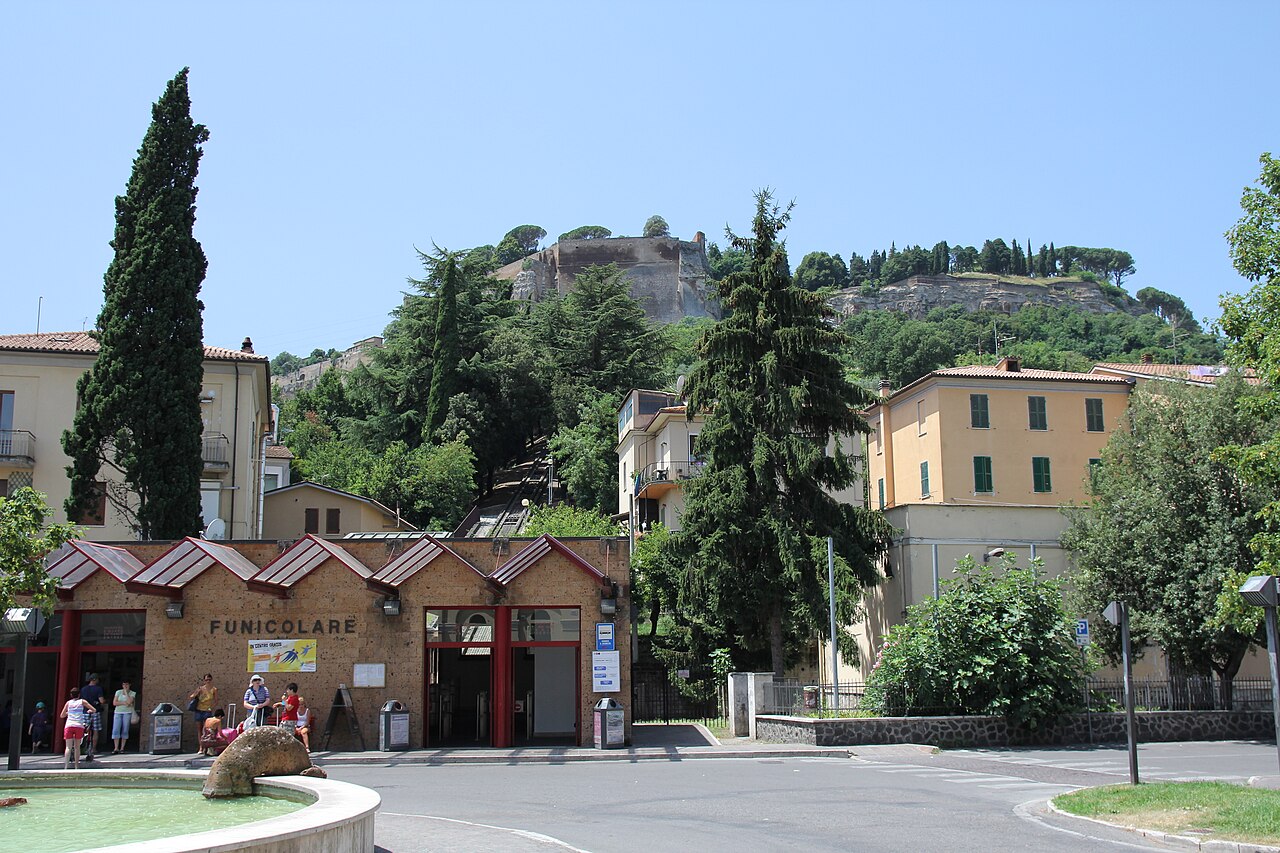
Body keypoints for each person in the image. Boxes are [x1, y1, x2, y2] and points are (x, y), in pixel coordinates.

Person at [60, 687, 95, 769]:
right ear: (79, 695)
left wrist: (68, 712)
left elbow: (62, 715)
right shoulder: (82, 701)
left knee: (68, 747)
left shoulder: (68, 703)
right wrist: (89, 711)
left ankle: (66, 766)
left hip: (69, 725)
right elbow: (93, 709)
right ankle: (76, 766)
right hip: (79, 725)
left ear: (71, 695)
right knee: (77, 747)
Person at [79, 674, 105, 760]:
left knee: (84, 731)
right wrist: (103, 702)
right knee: (95, 731)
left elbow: (81, 701)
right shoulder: (98, 689)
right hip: (95, 711)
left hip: (85, 712)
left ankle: (83, 747)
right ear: (95, 680)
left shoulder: (83, 689)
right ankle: (93, 749)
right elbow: (101, 700)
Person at [188, 673, 218, 741]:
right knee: (199, 729)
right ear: (204, 680)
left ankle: (206, 746)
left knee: (206, 729)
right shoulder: (200, 688)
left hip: (207, 710)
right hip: (199, 710)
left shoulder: (214, 689)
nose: (208, 681)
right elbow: (191, 697)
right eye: (206, 680)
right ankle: (201, 747)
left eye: (209, 680)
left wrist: (211, 708)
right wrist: (196, 693)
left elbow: (216, 701)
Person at [111, 679, 137, 754]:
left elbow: (129, 702)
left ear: (129, 685)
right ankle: (116, 748)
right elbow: (114, 702)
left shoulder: (132, 693)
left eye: (127, 684)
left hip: (127, 713)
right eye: (123, 684)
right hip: (118, 712)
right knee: (116, 729)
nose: (125, 686)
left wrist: (126, 692)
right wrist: (123, 703)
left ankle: (122, 748)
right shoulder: (118, 692)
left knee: (125, 730)